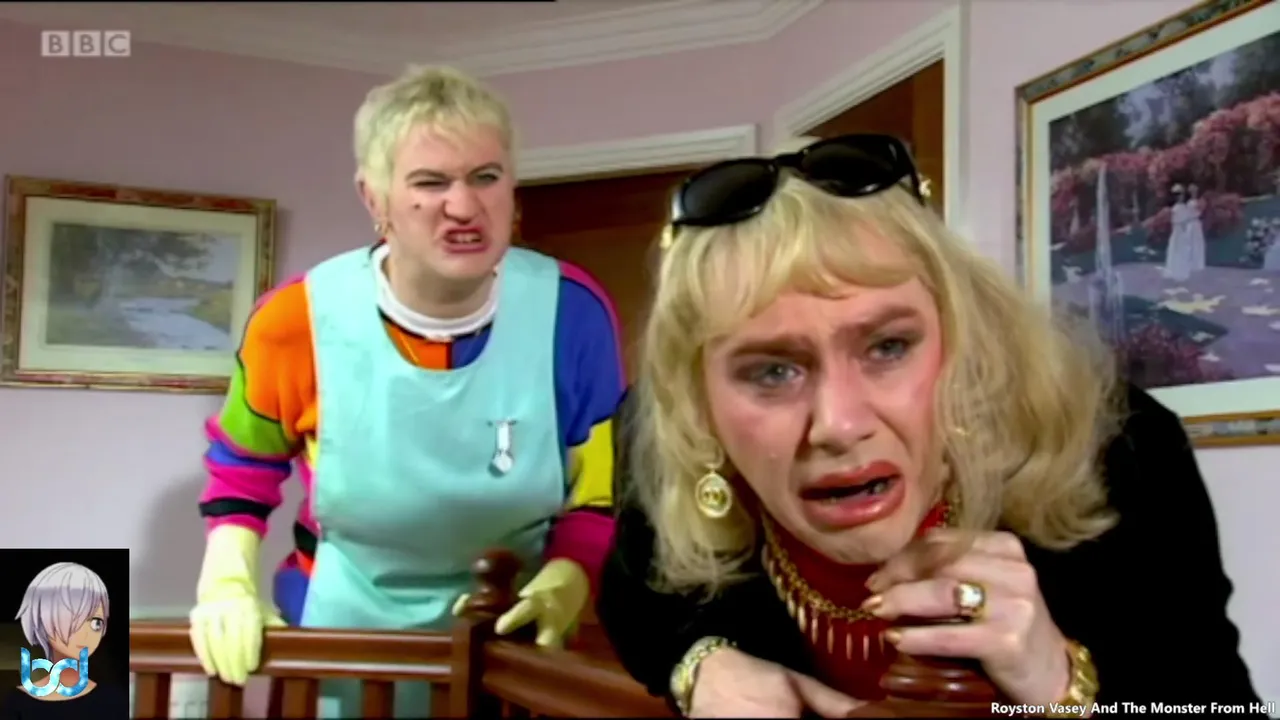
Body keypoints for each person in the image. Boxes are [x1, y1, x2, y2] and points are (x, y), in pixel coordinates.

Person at [597, 135, 1264, 717]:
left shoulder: (1122, 447)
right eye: (772, 371)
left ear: (961, 340)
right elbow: (638, 604)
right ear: (699, 403)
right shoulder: (665, 446)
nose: (839, 425)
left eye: (888, 347)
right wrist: (700, 664)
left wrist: (1060, 685)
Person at [190, 65, 625, 716]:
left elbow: (599, 492)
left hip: (513, 649)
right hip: (340, 642)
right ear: (375, 199)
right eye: (430, 182)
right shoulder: (296, 321)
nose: (464, 207)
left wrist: (568, 579)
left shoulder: (574, 313)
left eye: (486, 177)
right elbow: (242, 470)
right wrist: (227, 583)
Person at [2, 563, 129, 719]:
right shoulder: (17, 703)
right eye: (73, 619)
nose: (86, 634)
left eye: (96, 623)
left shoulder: (114, 701)